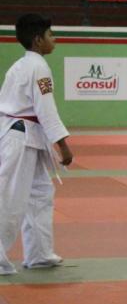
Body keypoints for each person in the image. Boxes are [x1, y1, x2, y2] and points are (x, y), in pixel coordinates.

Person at [0, 14, 73, 275]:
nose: (55, 39)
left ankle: (40, 253)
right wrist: (62, 145)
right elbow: (46, 109)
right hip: (19, 137)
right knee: (11, 198)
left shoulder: (20, 66)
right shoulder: (38, 67)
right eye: (51, 35)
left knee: (40, 193)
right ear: (38, 40)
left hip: (24, 135)